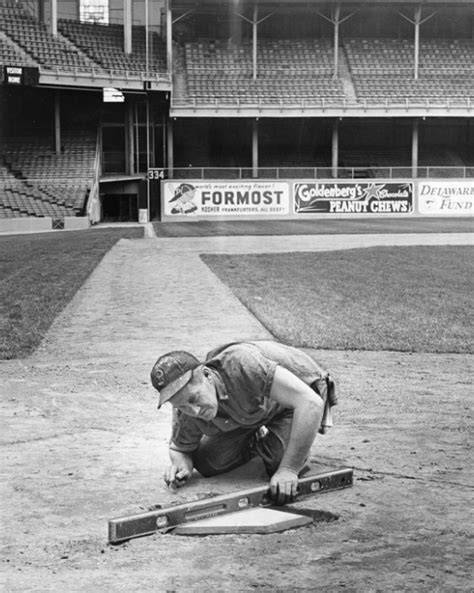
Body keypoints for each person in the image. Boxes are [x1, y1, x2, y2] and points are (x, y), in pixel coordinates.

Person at [150, 340, 337, 504]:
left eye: (194, 399)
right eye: (182, 406)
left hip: (296, 396)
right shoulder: (185, 402)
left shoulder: (242, 364)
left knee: (279, 464)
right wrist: (182, 465)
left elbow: (310, 403)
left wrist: (289, 469)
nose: (194, 411)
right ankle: (257, 438)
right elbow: (179, 448)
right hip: (251, 408)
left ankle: (277, 446)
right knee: (207, 462)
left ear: (207, 375)